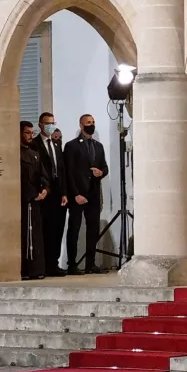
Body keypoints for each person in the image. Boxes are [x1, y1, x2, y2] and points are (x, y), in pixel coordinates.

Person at [64, 114, 109, 275]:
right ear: (81, 126)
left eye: (93, 122)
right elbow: (68, 172)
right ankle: (72, 264)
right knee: (74, 229)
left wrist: (100, 172)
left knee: (93, 230)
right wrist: (75, 193)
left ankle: (91, 263)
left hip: (94, 194)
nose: (92, 125)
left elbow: (105, 167)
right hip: (78, 194)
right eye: (88, 123)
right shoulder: (72, 146)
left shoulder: (98, 146)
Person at [32, 113, 67, 277]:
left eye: (53, 123)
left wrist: (64, 193)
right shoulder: (34, 144)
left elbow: (61, 169)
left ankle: (54, 263)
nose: (51, 126)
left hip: (58, 193)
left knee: (58, 229)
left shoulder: (57, 143)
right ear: (40, 125)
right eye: (48, 123)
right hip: (44, 192)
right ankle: (44, 265)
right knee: (45, 229)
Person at [20, 121, 49, 280]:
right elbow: (20, 180)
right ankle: (25, 269)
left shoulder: (34, 154)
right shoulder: (16, 155)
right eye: (27, 133)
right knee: (26, 235)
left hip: (37, 201)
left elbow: (43, 175)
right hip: (25, 201)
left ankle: (37, 269)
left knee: (37, 236)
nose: (31, 136)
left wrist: (45, 189)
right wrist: (32, 194)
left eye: (32, 132)